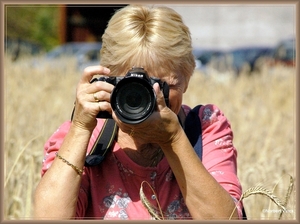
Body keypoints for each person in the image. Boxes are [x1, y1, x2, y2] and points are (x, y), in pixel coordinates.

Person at [34, 4, 244, 220]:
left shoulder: (204, 128)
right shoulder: (88, 139)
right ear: (107, 78)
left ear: (186, 78)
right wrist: (80, 128)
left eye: (161, 86)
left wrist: (173, 140)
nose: (149, 99)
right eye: (133, 87)